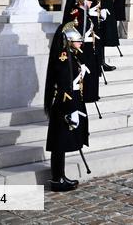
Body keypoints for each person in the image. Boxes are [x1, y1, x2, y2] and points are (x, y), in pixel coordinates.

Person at [44, 21, 90, 192]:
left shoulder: (72, 54)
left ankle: (60, 176)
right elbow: (64, 84)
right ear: (69, 41)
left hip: (70, 101)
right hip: (64, 103)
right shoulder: (64, 56)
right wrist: (69, 109)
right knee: (59, 143)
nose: (81, 43)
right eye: (78, 40)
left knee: (61, 142)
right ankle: (57, 179)